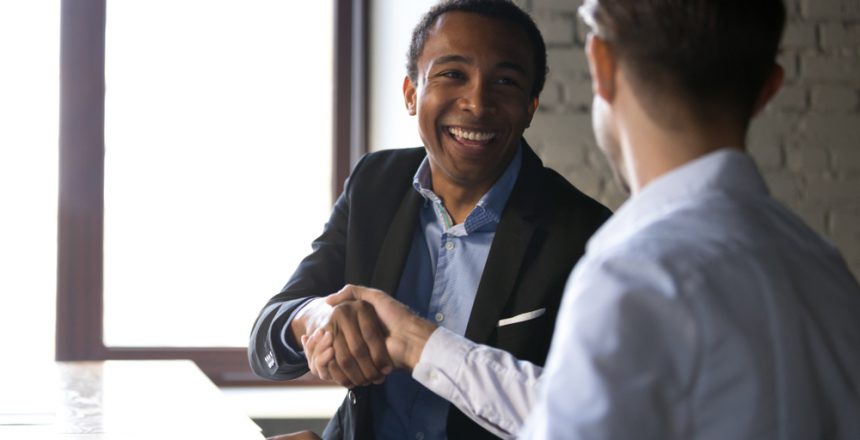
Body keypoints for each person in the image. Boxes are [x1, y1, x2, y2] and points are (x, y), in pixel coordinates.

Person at [305, 0, 860, 438]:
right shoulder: (827, 272)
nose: (476, 103)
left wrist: (416, 342)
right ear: (769, 88)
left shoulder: (632, 270)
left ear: (601, 65)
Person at [247, 1, 611, 438]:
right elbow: (267, 335)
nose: (477, 102)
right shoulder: (374, 184)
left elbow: (588, 418)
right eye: (452, 74)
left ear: (531, 106)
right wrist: (313, 319)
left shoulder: (587, 234)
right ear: (410, 93)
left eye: (505, 81)